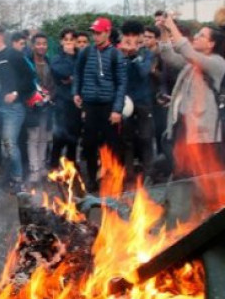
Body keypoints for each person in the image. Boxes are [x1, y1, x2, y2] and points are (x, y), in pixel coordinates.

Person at [158, 14, 225, 175]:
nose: (196, 37)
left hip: (201, 131)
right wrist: (164, 31)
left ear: (211, 44)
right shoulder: (192, 63)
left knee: (200, 173)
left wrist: (172, 26)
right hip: (184, 125)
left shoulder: (217, 62)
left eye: (201, 35)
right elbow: (169, 56)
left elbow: (187, 51)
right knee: (184, 170)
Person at [73, 17, 128, 192]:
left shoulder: (116, 54)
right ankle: (91, 179)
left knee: (113, 145)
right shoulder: (86, 52)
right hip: (90, 105)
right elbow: (78, 74)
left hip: (108, 105)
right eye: (93, 32)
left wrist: (117, 109)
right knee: (89, 144)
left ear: (107, 33)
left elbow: (122, 84)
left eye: (98, 33)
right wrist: (75, 93)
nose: (95, 36)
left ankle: (115, 179)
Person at [0, 24, 35, 192]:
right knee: (3, 146)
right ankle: (8, 179)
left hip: (14, 108)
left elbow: (30, 78)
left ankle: (18, 180)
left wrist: (16, 93)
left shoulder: (14, 55)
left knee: (9, 143)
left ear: (0, 36)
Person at [118, 20, 155, 177]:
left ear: (140, 36)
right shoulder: (118, 53)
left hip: (143, 101)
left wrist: (134, 57)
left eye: (135, 35)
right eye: (128, 35)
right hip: (124, 102)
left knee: (146, 137)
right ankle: (129, 173)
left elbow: (143, 72)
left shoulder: (147, 53)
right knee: (126, 139)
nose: (131, 39)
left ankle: (149, 173)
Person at [49, 28, 81, 169]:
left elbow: (83, 74)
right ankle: (54, 166)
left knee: (74, 137)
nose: (69, 43)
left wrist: (73, 78)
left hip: (77, 103)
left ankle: (71, 167)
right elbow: (61, 71)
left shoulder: (81, 56)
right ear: (61, 41)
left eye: (72, 40)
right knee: (59, 137)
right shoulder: (56, 58)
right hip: (62, 102)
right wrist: (72, 75)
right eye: (66, 40)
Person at [25, 32, 53, 184]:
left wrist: (50, 96)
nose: (41, 46)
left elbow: (53, 84)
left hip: (47, 106)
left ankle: (42, 166)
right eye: (38, 43)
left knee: (44, 138)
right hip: (32, 106)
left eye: (44, 43)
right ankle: (34, 169)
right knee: (33, 138)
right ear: (33, 45)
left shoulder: (49, 62)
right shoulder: (27, 62)